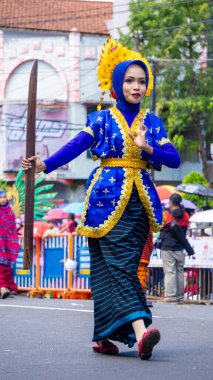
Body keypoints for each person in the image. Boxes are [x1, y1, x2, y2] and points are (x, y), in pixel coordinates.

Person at [22, 38, 181, 360]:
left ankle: (103, 337)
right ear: (116, 84)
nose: (136, 86)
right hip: (106, 199)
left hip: (142, 201)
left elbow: (174, 158)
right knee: (118, 266)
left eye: (141, 81)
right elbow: (75, 146)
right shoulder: (101, 119)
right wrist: (45, 164)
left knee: (112, 269)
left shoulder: (152, 123)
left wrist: (147, 147)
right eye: (129, 80)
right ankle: (141, 332)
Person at [160, 193, 195, 303]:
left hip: (167, 247)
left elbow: (159, 227)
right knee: (179, 271)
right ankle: (180, 296)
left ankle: (171, 296)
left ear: (170, 202)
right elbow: (183, 232)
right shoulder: (185, 215)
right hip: (180, 248)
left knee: (170, 271)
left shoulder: (166, 214)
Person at [0, 189, 19, 298]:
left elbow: (12, 228)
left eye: (4, 197)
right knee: (1, 266)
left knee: (6, 266)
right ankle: (3, 288)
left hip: (7, 243)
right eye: (0, 198)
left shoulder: (9, 212)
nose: (2, 200)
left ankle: (8, 287)